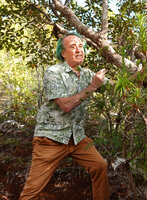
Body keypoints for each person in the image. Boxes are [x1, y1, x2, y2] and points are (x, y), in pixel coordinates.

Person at [19, 32, 110, 200]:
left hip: (76, 138)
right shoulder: (53, 72)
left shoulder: (87, 74)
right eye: (73, 47)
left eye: (81, 47)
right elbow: (66, 105)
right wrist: (92, 86)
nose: (79, 50)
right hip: (50, 139)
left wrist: (141, 73)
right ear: (62, 53)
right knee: (32, 192)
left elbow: (117, 85)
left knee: (99, 166)